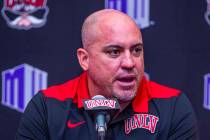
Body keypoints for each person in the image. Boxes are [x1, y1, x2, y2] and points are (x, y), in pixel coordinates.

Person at [16, 9, 198, 140]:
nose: (129, 63)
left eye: (136, 50)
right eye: (114, 52)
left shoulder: (172, 106)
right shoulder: (47, 107)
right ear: (84, 59)